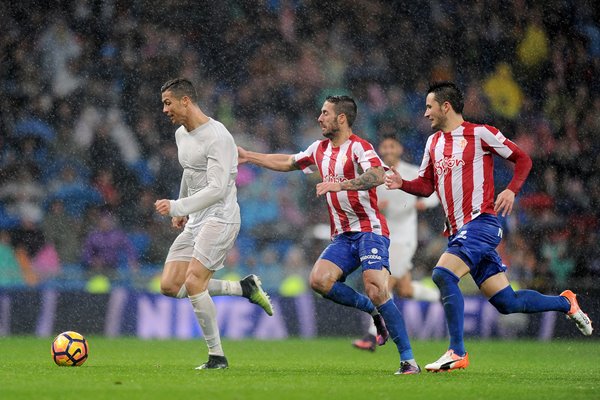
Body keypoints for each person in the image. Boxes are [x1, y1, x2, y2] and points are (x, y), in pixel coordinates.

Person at [385, 81, 593, 372]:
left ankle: (457, 351)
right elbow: (427, 185)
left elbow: (523, 158)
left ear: (446, 106)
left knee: (443, 274)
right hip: (459, 231)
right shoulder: (433, 143)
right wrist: (401, 183)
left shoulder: (480, 133)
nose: (425, 113)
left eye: (429, 106)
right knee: (507, 302)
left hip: (482, 222)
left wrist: (510, 190)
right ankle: (565, 302)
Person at [238, 95, 420, 375]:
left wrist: (342, 186)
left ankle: (408, 360)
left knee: (376, 287)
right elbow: (288, 161)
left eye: (324, 113)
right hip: (343, 236)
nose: (319, 118)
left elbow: (376, 175)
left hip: (370, 230)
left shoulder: (360, 147)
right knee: (319, 281)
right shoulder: (319, 149)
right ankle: (374, 313)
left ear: (341, 118)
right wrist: (250, 156)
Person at [154, 78, 273, 370]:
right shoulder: (182, 135)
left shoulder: (218, 136)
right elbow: (190, 172)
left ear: (186, 101)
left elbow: (218, 189)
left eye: (168, 103)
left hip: (221, 217)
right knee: (170, 286)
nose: (165, 110)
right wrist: (181, 210)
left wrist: (178, 205)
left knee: (194, 282)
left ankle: (217, 357)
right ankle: (243, 288)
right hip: (196, 219)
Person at [353, 133, 440, 352]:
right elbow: (363, 200)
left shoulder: (411, 172)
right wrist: (375, 205)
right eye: (385, 146)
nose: (389, 150)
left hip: (404, 239)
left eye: (392, 146)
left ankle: (373, 335)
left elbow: (434, 194)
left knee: (383, 283)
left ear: (399, 149)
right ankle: (440, 296)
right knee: (405, 290)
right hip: (384, 237)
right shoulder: (375, 175)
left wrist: (424, 204)